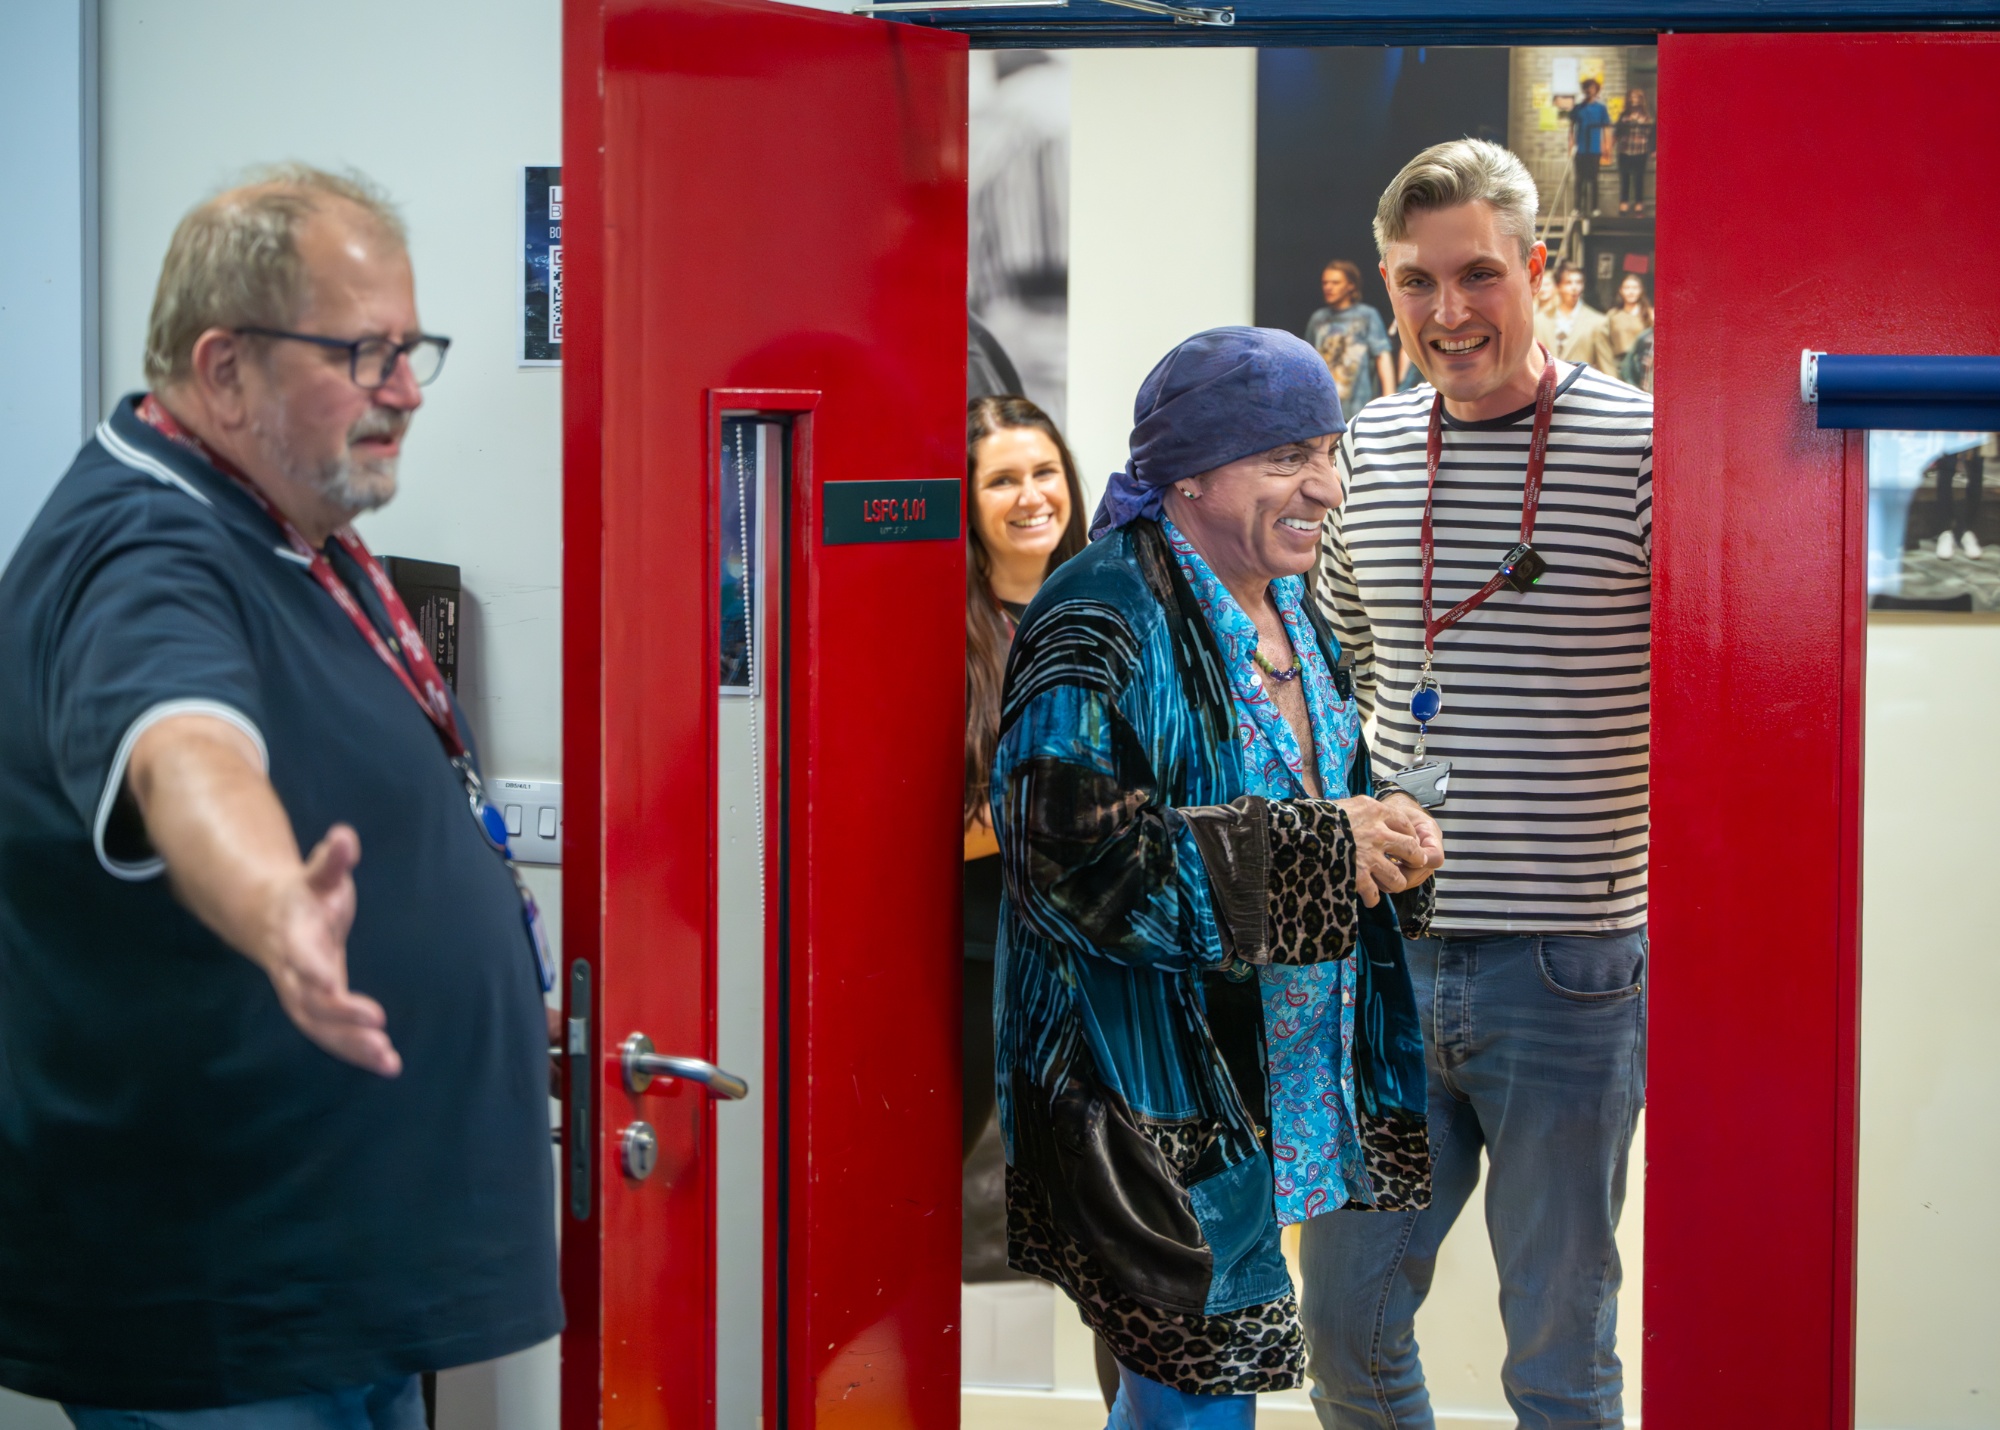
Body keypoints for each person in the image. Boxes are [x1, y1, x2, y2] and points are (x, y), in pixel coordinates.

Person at [0, 166, 561, 1425]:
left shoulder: (286, 528)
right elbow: (184, 748)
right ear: (225, 365)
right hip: (222, 1318)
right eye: (362, 354)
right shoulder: (144, 551)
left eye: (412, 348)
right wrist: (272, 907)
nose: (407, 390)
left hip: (334, 1278)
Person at [994, 326, 1443, 1428]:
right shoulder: (1099, 611)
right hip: (1152, 1088)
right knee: (1197, 1391)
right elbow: (1071, 855)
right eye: (1288, 456)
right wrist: (1318, 850)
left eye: (1328, 452)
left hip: (1278, 1077)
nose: (1324, 488)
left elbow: (1312, 783)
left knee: (1183, 1395)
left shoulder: (1286, 598)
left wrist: (1383, 827)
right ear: (1188, 471)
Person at [1303, 139, 1653, 1430]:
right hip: (1383, 957)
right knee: (1342, 1321)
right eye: (1416, 281)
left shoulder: (1639, 446)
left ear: (1539, 272)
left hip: (1570, 963)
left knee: (1557, 1353)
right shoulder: (1371, 446)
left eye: (1478, 275)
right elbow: (1337, 664)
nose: (1448, 312)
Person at [962, 394, 1086, 1157]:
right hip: (983, 956)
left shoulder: (1112, 598)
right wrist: (1066, 809)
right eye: (1002, 481)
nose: (1033, 496)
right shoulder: (939, 625)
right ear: (967, 502)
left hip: (1103, 949)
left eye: (1045, 471)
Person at [1305, 260, 1397, 415]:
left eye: (1335, 282)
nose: (1328, 287)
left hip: (1357, 408)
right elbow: (1306, 362)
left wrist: (1391, 400)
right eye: (1325, 283)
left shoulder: (1366, 315)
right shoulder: (1318, 319)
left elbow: (1382, 356)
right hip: (1323, 409)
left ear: (1351, 285)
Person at [1534, 260, 1609, 371]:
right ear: (1558, 286)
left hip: (1580, 385)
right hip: (1547, 385)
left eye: (1578, 282)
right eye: (1568, 283)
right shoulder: (1540, 320)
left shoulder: (1597, 322)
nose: (1574, 287)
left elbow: (1606, 365)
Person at [1589, 273, 1654, 384]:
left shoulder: (1649, 314)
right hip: (1617, 366)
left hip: (1641, 367)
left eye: (1635, 288)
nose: (1631, 292)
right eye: (1627, 288)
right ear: (1621, 290)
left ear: (1641, 290)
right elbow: (1603, 343)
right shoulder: (1613, 315)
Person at [1614, 88, 1655, 215]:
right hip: (1625, 149)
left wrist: (1654, 150)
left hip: (1640, 150)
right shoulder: (1624, 115)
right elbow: (1617, 132)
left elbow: (1652, 135)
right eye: (1632, 97)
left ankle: (1638, 203)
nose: (1634, 100)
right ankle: (1624, 202)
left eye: (1637, 97)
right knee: (1625, 177)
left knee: (1639, 178)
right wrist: (1610, 145)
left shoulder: (1647, 116)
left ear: (1641, 100)